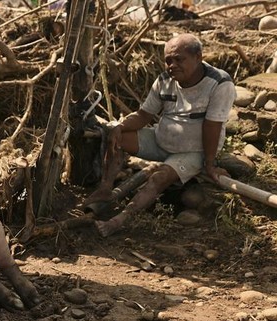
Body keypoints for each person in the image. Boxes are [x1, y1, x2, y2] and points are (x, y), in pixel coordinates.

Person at [83, 33, 236, 237]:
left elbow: (212, 126)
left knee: (158, 178)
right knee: (117, 136)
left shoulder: (219, 83)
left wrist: (209, 163)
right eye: (168, 60)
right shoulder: (165, 79)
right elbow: (145, 114)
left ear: (198, 57)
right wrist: (120, 126)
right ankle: (106, 188)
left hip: (193, 150)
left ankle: (120, 219)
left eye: (178, 59)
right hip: (160, 139)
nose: (172, 65)